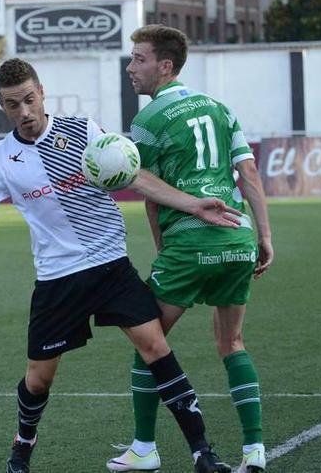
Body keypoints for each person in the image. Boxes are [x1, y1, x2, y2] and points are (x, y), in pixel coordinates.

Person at [0, 58, 237, 473]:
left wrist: (193, 204)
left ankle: (203, 454)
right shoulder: (0, 160)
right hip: (58, 279)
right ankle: (21, 450)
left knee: (156, 348)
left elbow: (135, 176)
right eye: (13, 105)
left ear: (42, 93)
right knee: (39, 379)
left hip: (110, 267)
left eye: (30, 100)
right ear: (2, 105)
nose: (25, 112)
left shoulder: (83, 131)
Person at [107, 25, 273, 473]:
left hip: (190, 242)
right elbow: (249, 175)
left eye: (139, 59)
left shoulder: (149, 120)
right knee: (232, 342)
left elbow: (145, 189)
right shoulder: (221, 108)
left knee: (149, 342)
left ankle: (144, 448)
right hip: (237, 238)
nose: (130, 67)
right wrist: (263, 236)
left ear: (165, 66)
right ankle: (255, 452)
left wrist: (165, 251)